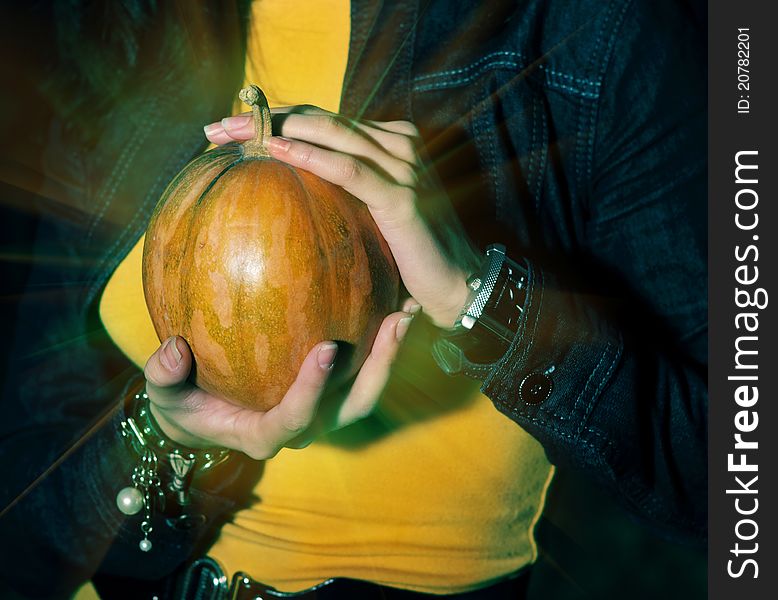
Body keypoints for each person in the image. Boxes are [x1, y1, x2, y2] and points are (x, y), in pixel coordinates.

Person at [0, 0, 707, 598]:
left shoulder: (599, 30)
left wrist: (482, 300)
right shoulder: (117, 31)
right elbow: (22, 536)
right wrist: (169, 437)